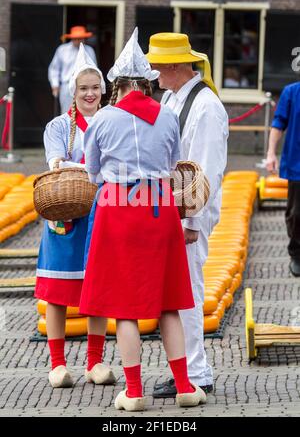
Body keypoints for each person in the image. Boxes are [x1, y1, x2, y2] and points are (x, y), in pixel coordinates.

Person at [79, 28, 207, 412]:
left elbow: (92, 173)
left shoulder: (103, 119)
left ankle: (134, 392)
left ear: (116, 85)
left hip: (117, 211)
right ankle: (185, 386)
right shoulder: (168, 116)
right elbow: (173, 165)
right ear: (147, 84)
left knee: (125, 306)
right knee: (169, 302)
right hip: (159, 209)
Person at [146, 32, 228, 398]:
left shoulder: (206, 107)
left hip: (188, 217)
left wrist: (192, 221)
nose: (155, 73)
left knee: (189, 294)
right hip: (174, 211)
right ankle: (186, 370)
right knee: (176, 293)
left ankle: (196, 372)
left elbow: (206, 169)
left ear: (175, 65)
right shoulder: (172, 97)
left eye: (158, 66)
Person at [35, 43, 115, 388]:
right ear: (73, 92)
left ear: (103, 90)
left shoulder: (112, 123)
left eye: (95, 87)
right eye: (83, 88)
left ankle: (95, 362)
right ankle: (57, 363)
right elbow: (55, 164)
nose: (90, 94)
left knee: (96, 287)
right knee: (57, 290)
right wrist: (90, 169)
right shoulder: (57, 127)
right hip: (65, 214)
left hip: (102, 215)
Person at [266, 81, 300, 277]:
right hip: (297, 163)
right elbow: (279, 123)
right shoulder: (291, 92)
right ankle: (296, 253)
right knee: (296, 213)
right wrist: (271, 153)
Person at [48, 26, 98, 113]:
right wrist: (55, 84)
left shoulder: (89, 50)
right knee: (67, 114)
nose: (79, 41)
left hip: (85, 87)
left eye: (81, 38)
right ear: (72, 39)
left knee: (85, 113)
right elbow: (54, 68)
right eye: (76, 39)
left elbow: (94, 70)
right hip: (67, 87)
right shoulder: (62, 50)